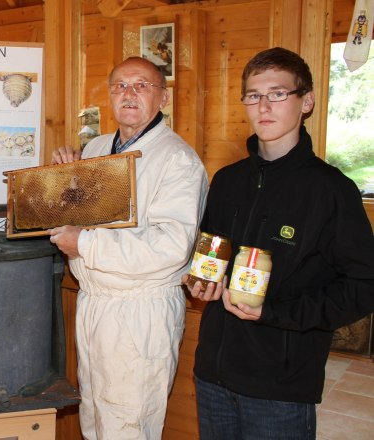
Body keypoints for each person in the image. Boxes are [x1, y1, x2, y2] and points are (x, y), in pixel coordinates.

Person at [184, 47, 374, 439]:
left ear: (307, 101)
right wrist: (200, 282)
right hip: (213, 375)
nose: (263, 106)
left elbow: (363, 287)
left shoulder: (332, 190)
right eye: (253, 95)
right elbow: (210, 252)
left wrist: (276, 312)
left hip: (280, 387)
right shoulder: (227, 181)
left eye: (277, 93)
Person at [50, 57, 208, 439]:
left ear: (163, 98)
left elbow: (170, 246)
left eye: (141, 85)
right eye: (120, 86)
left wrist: (84, 243)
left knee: (130, 423)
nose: (129, 93)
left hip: (141, 310)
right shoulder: (98, 148)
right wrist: (65, 177)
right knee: (96, 417)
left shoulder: (179, 161)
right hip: (95, 302)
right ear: (110, 96)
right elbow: (80, 215)